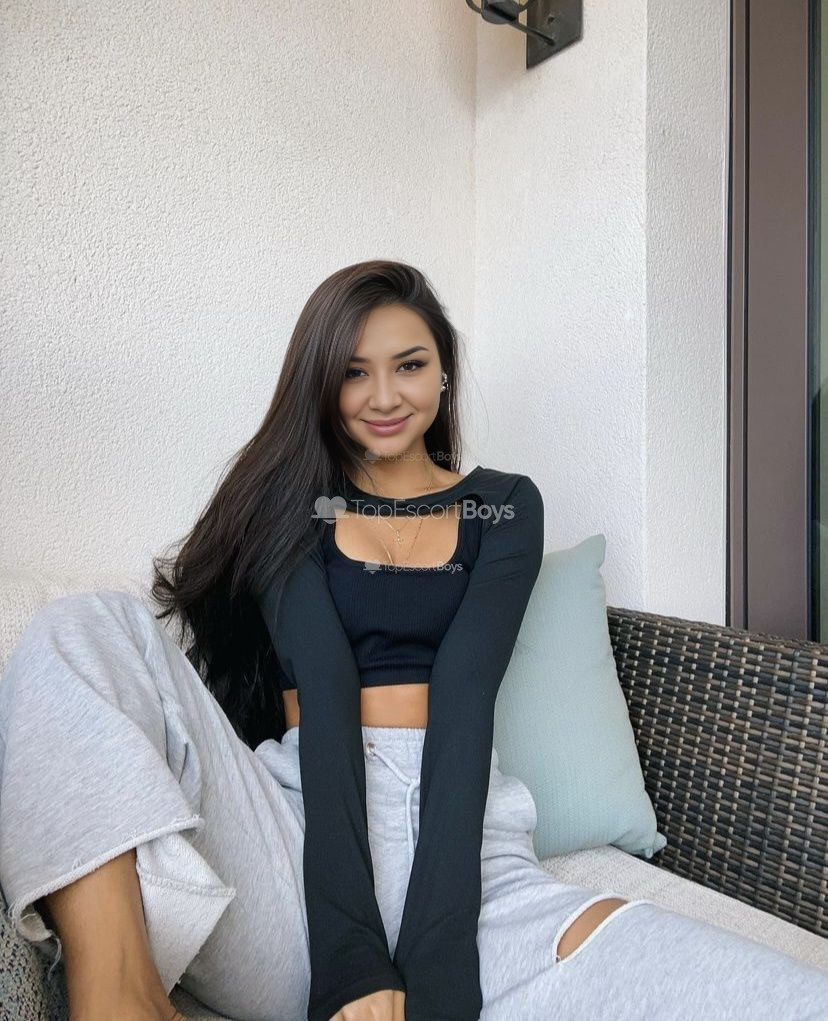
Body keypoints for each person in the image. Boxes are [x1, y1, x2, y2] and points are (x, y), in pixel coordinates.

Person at [0, 260, 825, 1021]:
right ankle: (119, 998)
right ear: (322, 383)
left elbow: (466, 693)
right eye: (354, 371)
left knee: (778, 995)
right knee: (83, 627)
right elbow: (325, 692)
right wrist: (348, 952)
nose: (385, 395)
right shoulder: (296, 506)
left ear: (444, 371)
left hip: (475, 870)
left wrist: (436, 958)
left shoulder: (505, 505)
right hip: (295, 847)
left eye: (410, 364)